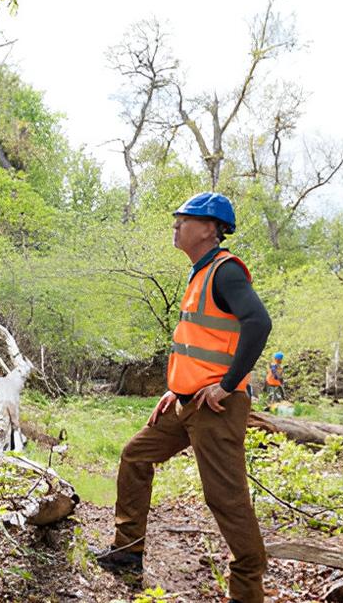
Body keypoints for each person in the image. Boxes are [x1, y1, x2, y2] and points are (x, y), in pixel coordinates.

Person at [96, 192, 272, 603]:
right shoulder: (200, 273)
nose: (176, 225)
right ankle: (127, 552)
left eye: (185, 219)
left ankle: (247, 591)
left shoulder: (226, 272)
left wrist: (228, 385)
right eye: (176, 218)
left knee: (225, 499)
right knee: (136, 455)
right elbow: (201, 343)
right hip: (186, 401)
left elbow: (259, 323)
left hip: (217, 407)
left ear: (210, 229)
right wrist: (176, 389)